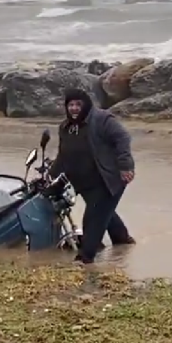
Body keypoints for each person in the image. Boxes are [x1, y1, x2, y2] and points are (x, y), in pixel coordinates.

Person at [48, 88, 136, 264]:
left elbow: (123, 138)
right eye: (70, 105)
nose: (74, 108)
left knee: (94, 218)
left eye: (78, 105)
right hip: (84, 182)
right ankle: (123, 241)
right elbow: (64, 154)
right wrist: (51, 174)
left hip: (108, 179)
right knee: (104, 212)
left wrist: (126, 166)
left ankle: (85, 257)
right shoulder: (65, 127)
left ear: (86, 105)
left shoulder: (102, 119)